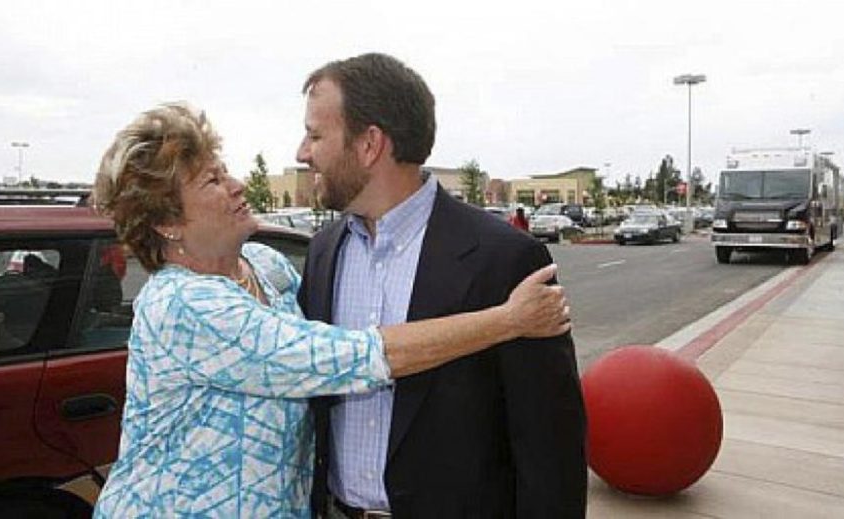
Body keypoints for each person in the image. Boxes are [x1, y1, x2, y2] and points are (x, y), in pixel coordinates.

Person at [90, 103, 571, 518]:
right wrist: (508, 319)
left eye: (226, 170)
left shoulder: (265, 265)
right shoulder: (182, 305)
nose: (238, 185)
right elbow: (349, 356)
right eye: (213, 180)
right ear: (168, 222)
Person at [297, 53, 587, 518]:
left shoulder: (505, 258)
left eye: (315, 134)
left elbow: (549, 443)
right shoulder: (323, 252)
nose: (302, 152)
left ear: (370, 143)